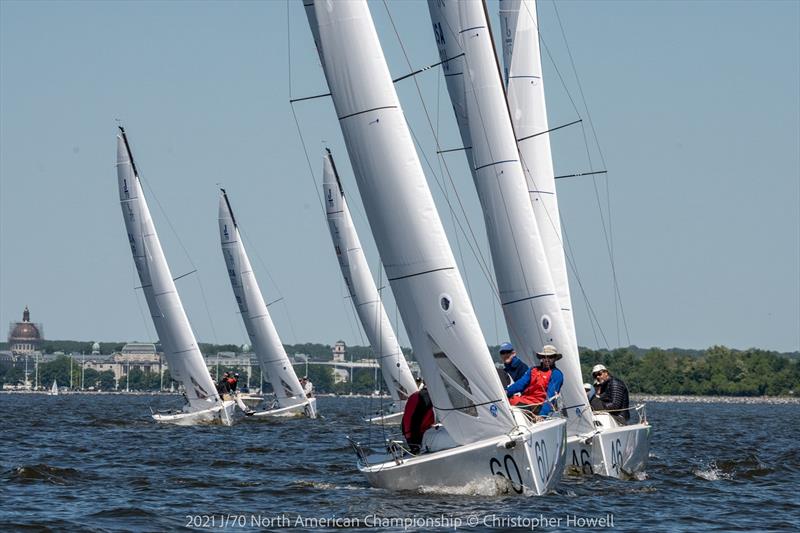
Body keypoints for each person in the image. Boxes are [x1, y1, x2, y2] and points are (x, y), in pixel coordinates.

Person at [505, 345, 564, 416]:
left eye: (550, 357)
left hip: (539, 405)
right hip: (525, 401)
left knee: (514, 405)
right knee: (506, 402)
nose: (547, 359)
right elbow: (520, 384)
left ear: (555, 358)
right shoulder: (533, 370)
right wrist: (506, 391)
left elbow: (551, 396)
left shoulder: (556, 374)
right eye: (544, 357)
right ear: (541, 358)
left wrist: (542, 415)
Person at [401, 386, 434, 454]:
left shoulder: (415, 395)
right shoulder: (426, 396)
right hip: (416, 438)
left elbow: (406, 420)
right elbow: (415, 421)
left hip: (409, 437)